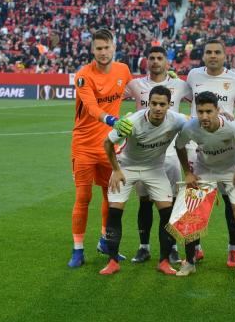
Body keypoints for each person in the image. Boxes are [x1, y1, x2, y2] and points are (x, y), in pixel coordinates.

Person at [100, 85, 187, 276]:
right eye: (153, 103)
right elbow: (107, 143)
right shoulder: (133, 121)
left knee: (167, 213)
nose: (157, 108)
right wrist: (116, 170)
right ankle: (112, 261)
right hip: (126, 167)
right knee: (115, 211)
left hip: (155, 169)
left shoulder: (176, 120)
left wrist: (222, 117)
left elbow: (196, 123)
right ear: (148, 103)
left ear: (168, 105)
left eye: (162, 104)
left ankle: (163, 261)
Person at [67, 29, 132, 268]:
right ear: (92, 50)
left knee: (111, 195)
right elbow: (92, 108)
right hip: (83, 146)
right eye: (98, 48)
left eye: (107, 47)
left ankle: (105, 241)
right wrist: (112, 121)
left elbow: (136, 90)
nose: (103, 52)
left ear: (113, 47)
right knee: (83, 197)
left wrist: (168, 82)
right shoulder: (84, 76)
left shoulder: (123, 70)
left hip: (108, 147)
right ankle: (77, 250)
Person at [123, 46, 192, 265]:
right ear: (146, 61)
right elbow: (112, 97)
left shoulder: (180, 85)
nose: (155, 61)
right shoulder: (135, 85)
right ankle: (144, 247)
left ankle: (170, 247)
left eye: (159, 58)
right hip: (142, 154)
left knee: (168, 202)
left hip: (170, 152)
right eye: (151, 58)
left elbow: (200, 101)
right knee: (144, 201)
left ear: (167, 62)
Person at [186, 38, 235, 267]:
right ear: (203, 55)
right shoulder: (193, 75)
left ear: (225, 55)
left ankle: (233, 249)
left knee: (230, 200)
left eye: (217, 52)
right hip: (198, 146)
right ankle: (195, 249)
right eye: (209, 52)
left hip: (227, 146)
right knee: (195, 201)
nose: (213, 55)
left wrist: (234, 122)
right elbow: (184, 98)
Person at [174, 91, 235, 278]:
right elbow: (179, 145)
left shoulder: (233, 126)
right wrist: (188, 172)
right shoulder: (190, 127)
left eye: (209, 111)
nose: (204, 116)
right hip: (204, 169)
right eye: (200, 112)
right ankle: (190, 262)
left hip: (231, 169)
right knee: (191, 212)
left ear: (218, 110)